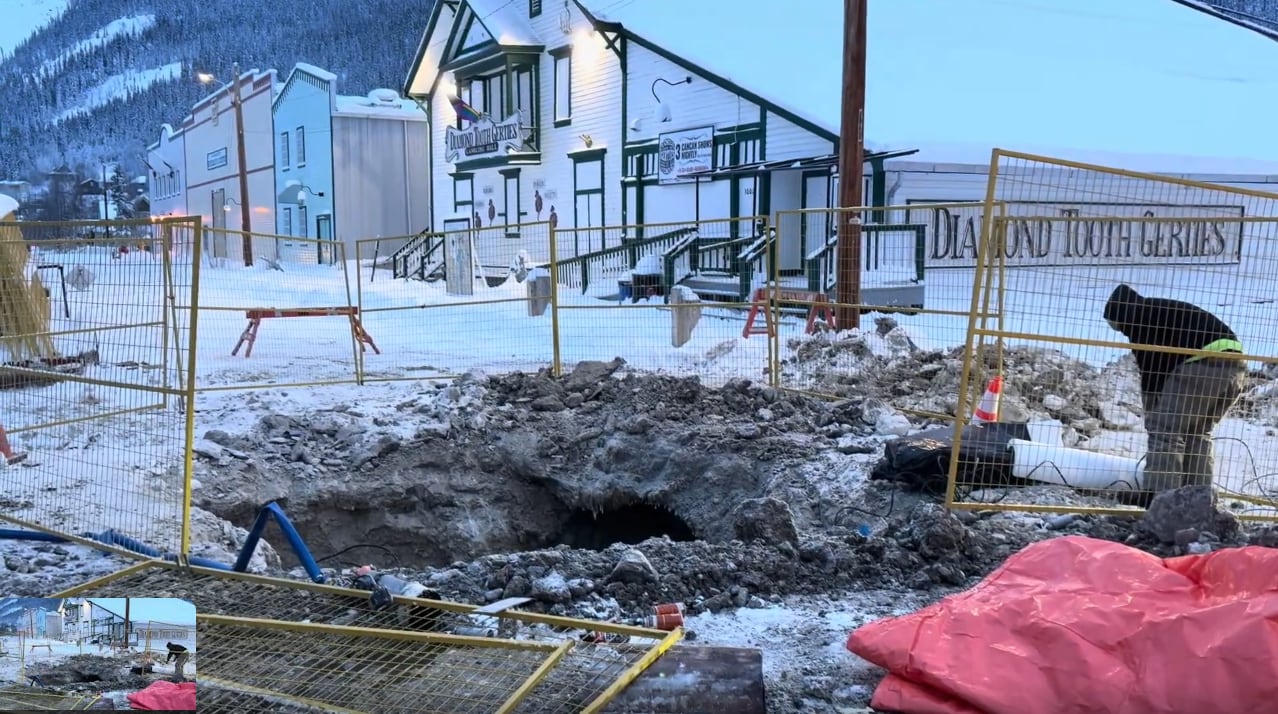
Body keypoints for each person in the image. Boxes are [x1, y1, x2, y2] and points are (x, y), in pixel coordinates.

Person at [1103, 284, 1247, 500]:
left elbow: (1151, 367)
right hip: (1236, 365)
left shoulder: (1139, 320)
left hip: (1204, 363)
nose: (1123, 331)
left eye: (1118, 326)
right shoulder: (1161, 310)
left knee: (1164, 430)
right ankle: (1198, 499)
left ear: (1122, 315)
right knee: (1197, 433)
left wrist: (1152, 410)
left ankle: (1160, 497)